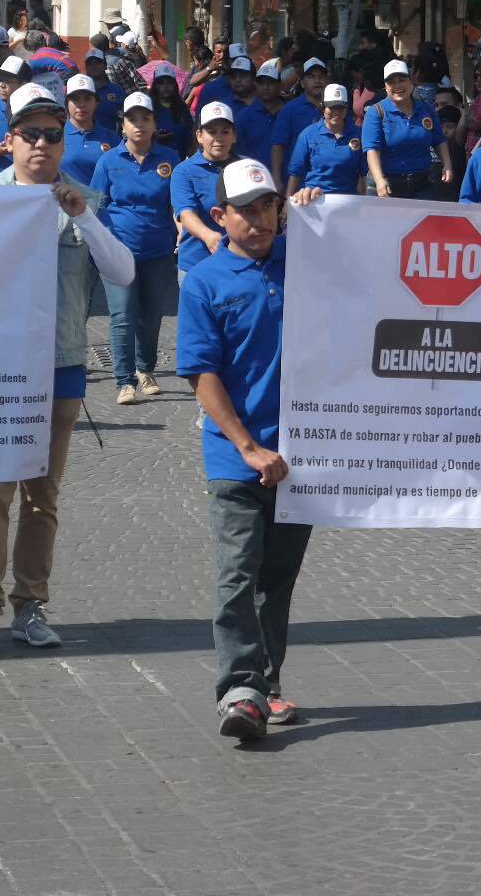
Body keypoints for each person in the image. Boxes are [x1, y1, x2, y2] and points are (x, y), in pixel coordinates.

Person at [0, 84, 136, 653]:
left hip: (60, 365)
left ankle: (30, 605)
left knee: (43, 495)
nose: (41, 143)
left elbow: (124, 273)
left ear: (63, 143)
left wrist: (83, 217)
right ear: (8, 140)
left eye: (52, 134)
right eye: (30, 133)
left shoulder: (79, 199)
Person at [177, 158, 326, 740]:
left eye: (268, 206)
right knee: (238, 574)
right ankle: (240, 688)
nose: (260, 219)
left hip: (304, 454)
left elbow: (370, 258)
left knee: (277, 580)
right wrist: (246, 447)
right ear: (220, 217)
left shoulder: (304, 259)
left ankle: (267, 684)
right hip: (235, 456)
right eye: (245, 210)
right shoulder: (206, 284)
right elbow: (202, 374)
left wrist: (322, 214)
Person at [90, 82, 181, 406]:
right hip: (119, 252)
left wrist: (181, 226)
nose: (139, 124)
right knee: (123, 315)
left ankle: (146, 369)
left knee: (152, 315)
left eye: (145, 118)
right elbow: (96, 205)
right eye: (133, 119)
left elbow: (177, 203)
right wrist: (102, 243)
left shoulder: (169, 158)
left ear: (155, 123)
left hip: (157, 251)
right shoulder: (109, 160)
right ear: (123, 124)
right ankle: (124, 380)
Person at [363, 58, 454, 200]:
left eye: (401, 80)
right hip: (386, 184)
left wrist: (447, 164)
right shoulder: (376, 112)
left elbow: (439, 140)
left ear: (411, 82)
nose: (397, 85)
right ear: (385, 87)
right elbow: (372, 150)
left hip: (421, 184)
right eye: (392, 82)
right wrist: (379, 179)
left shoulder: (426, 110)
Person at [173, 97, 231, 282]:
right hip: (196, 262)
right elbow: (185, 213)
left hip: (237, 261)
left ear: (234, 135)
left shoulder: (245, 166)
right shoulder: (184, 171)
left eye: (225, 131)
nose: (218, 138)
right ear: (199, 136)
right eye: (211, 132)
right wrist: (209, 237)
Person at [284, 83, 364, 196]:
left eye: (340, 107)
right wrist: (288, 204)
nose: (336, 112)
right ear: (323, 107)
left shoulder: (358, 134)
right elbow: (295, 173)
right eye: (332, 107)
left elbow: (364, 174)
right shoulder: (308, 134)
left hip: (348, 202)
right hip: (314, 201)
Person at [150, 69, 193, 152]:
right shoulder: (149, 106)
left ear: (175, 85)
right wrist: (153, 135)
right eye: (161, 83)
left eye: (169, 82)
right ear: (156, 86)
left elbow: (190, 130)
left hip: (179, 157)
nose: (166, 86)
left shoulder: (182, 106)